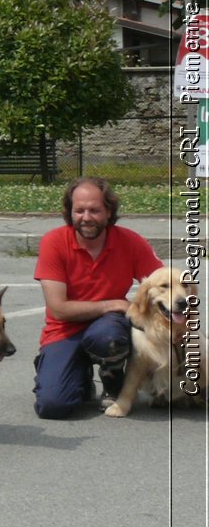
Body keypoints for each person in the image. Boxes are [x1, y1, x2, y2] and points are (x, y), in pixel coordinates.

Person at [32, 177, 162, 418]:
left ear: (109, 211)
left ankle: (113, 384)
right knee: (53, 407)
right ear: (70, 212)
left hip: (108, 328)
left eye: (94, 210)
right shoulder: (53, 242)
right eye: (79, 210)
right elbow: (59, 309)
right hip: (64, 330)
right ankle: (77, 376)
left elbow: (163, 285)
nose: (86, 217)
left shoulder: (130, 241)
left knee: (108, 336)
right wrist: (115, 303)